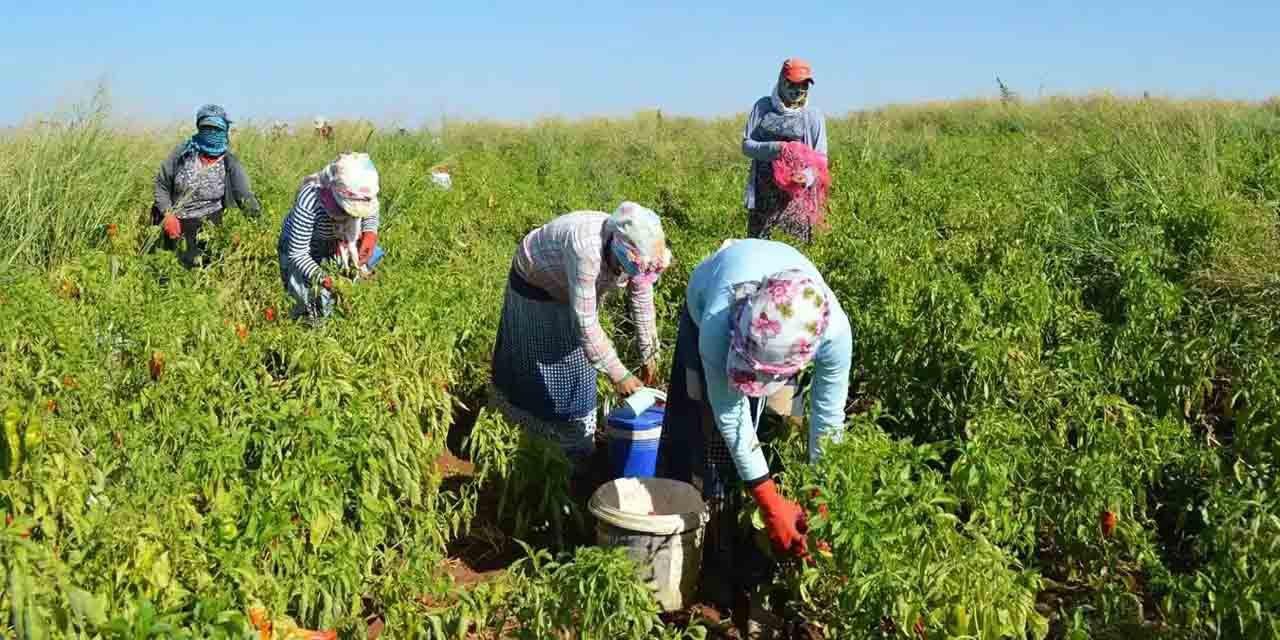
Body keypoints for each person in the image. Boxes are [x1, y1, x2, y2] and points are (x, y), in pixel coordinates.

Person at [657, 238, 852, 619]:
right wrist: (769, 502)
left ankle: (753, 549)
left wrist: (821, 502)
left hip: (786, 334)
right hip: (707, 303)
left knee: (778, 425)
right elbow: (729, 413)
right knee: (708, 439)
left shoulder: (833, 335)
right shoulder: (718, 319)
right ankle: (709, 551)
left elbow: (827, 423)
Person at [490, 203, 672, 465]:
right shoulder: (586, 249)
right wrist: (619, 375)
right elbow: (586, 323)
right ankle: (533, 443)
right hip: (536, 285)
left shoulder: (639, 251)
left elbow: (642, 301)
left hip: (572, 292)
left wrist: (650, 355)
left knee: (579, 372)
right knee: (536, 369)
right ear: (618, 250)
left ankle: (574, 448)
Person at [278, 152, 384, 320]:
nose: (353, 216)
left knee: (347, 277)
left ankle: (336, 312)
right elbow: (298, 253)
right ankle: (308, 323)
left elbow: (370, 211)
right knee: (304, 294)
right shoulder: (311, 200)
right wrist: (323, 278)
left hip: (334, 240)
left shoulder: (364, 192)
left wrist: (370, 233)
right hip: (304, 246)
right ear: (336, 195)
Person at [151, 104, 260, 267]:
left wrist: (257, 226)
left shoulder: (229, 161)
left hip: (208, 227)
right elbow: (162, 184)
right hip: (174, 224)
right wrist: (168, 215)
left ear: (225, 131)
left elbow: (243, 195)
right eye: (206, 128)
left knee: (201, 271)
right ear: (199, 128)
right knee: (167, 269)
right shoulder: (183, 153)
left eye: (216, 129)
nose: (211, 133)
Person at [741, 58, 829, 242]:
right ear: (781, 80)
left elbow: (821, 160)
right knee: (761, 249)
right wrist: (776, 149)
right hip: (763, 198)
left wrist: (805, 177)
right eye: (793, 84)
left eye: (804, 85)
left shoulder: (813, 116)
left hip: (796, 200)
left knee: (793, 251)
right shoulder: (763, 107)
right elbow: (747, 146)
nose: (799, 90)